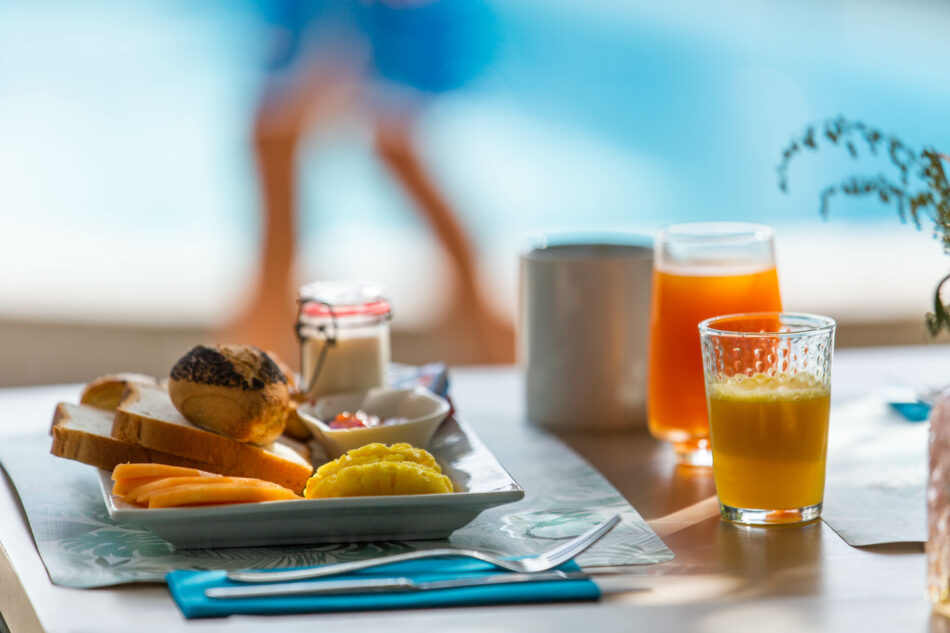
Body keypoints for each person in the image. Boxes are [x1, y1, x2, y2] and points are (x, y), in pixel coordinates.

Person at [220, 0, 513, 366]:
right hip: (356, 16)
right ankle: (489, 333)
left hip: (356, 15)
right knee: (383, 150)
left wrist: (332, 45)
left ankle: (254, 350)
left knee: (284, 143)